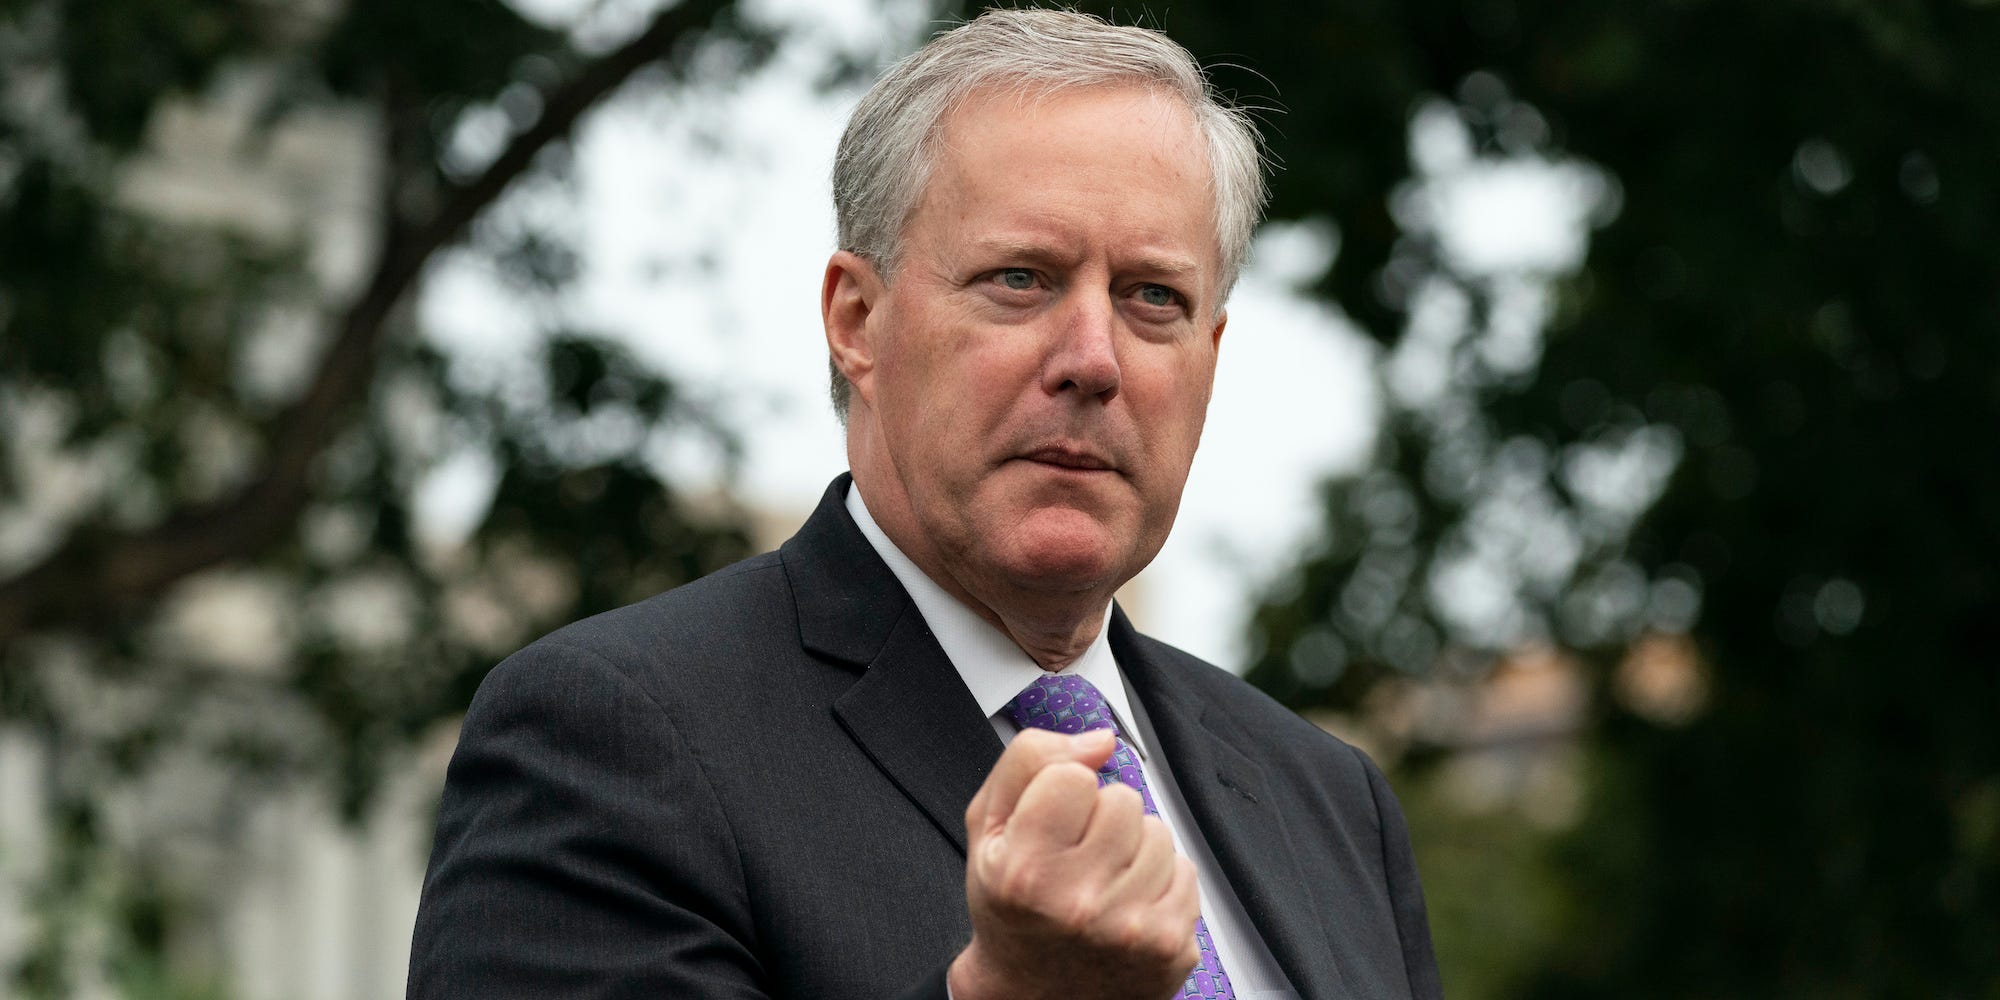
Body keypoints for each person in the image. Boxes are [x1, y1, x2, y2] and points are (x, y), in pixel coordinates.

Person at [407, 9, 1442, 1000]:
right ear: (857, 321)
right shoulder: (609, 738)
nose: (1093, 359)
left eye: (1151, 298)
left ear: (1209, 359)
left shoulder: (1327, 801)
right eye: (1020, 279)